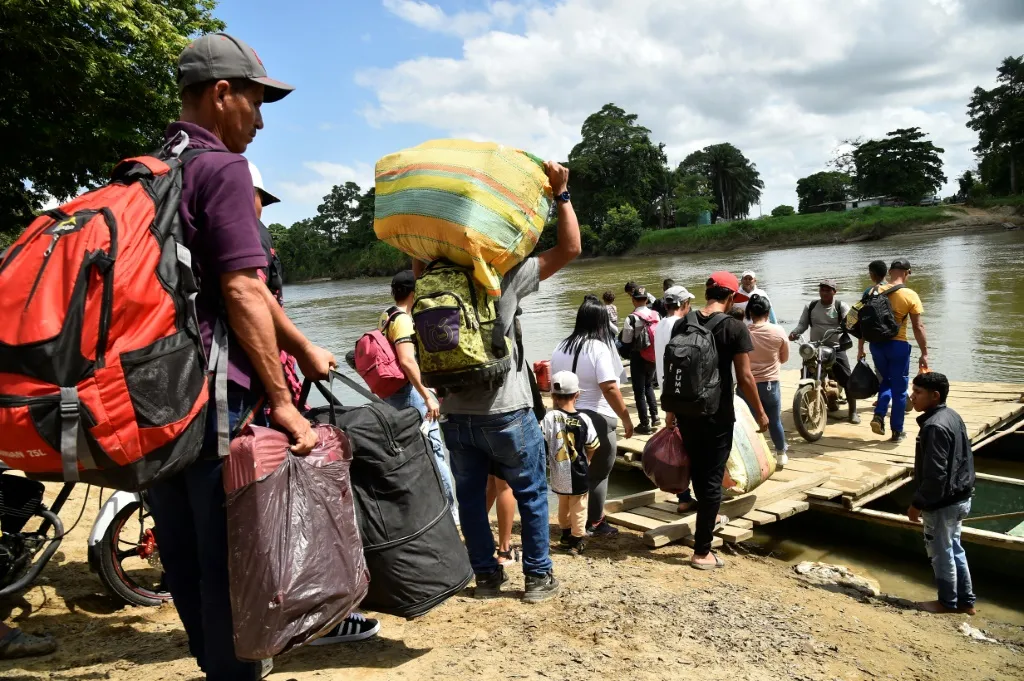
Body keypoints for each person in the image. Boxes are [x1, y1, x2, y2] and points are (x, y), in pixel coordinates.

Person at [145, 34, 343, 680]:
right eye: (254, 104)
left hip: (153, 406)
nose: (259, 121)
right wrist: (284, 404)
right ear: (220, 93)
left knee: (188, 570)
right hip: (214, 413)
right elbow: (239, 289)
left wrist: (303, 346)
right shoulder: (221, 169)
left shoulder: (148, 169)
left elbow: (242, 288)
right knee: (236, 579)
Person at [434, 161, 581, 603]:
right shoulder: (505, 275)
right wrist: (561, 193)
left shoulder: (430, 277)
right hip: (507, 412)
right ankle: (537, 578)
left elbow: (419, 244)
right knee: (532, 494)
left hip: (455, 415)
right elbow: (570, 248)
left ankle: (486, 577)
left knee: (470, 501)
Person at [250, 164, 380, 648]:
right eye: (259, 196)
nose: (260, 207)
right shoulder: (250, 235)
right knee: (301, 497)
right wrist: (295, 368)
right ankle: (318, 615)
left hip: (229, 397)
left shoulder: (197, 236)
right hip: (264, 394)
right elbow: (257, 305)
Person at [666, 272, 769, 570]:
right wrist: (761, 414)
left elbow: (674, 369)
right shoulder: (735, 327)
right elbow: (746, 377)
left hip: (685, 410)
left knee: (699, 471)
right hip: (716, 413)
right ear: (730, 298)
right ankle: (702, 551)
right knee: (712, 479)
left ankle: (704, 525)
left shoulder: (683, 322)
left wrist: (670, 412)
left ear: (708, 293)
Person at [550, 297, 634, 537]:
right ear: (601, 322)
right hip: (597, 419)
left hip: (565, 417)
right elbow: (609, 388)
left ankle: (568, 522)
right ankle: (595, 522)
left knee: (570, 473)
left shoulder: (560, 346)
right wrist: (626, 418)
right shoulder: (599, 348)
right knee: (598, 474)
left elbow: (554, 387)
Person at [378, 270, 456, 512]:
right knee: (434, 449)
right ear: (414, 293)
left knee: (411, 450)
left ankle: (421, 507)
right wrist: (428, 396)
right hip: (409, 393)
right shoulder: (402, 319)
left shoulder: (386, 315)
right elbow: (407, 361)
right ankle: (450, 510)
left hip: (392, 394)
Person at [908, 372, 976, 615]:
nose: (912, 397)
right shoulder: (952, 416)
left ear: (934, 396)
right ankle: (966, 602)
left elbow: (936, 475)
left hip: (943, 501)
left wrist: (917, 503)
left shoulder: (935, 426)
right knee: (954, 547)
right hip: (961, 496)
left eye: (917, 392)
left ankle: (947, 602)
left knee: (941, 552)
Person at [859, 259, 928, 443]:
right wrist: (924, 353)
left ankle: (879, 415)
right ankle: (897, 431)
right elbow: (918, 326)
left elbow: (861, 321)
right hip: (898, 346)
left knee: (885, 383)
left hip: (876, 345)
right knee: (899, 389)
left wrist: (861, 348)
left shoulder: (873, 291)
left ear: (889, 272)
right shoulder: (910, 295)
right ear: (907, 273)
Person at [541, 371, 602, 556]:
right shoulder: (585, 419)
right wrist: (588, 459)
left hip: (558, 472)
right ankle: (577, 539)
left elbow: (541, 439)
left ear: (553, 396)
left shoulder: (549, 418)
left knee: (563, 504)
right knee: (579, 506)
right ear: (577, 395)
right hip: (578, 471)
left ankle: (565, 534)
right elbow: (592, 445)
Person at [652, 285, 698, 512]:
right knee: (690, 445)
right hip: (680, 393)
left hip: (666, 391)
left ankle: (684, 495)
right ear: (683, 305)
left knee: (678, 445)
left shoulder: (660, 324)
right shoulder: (680, 325)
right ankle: (692, 496)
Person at [789, 279, 859, 424]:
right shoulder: (811, 306)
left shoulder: (840, 306)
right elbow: (802, 325)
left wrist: (848, 326)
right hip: (814, 348)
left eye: (828, 290)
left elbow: (849, 322)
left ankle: (853, 412)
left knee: (848, 379)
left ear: (835, 291)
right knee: (806, 376)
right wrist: (795, 332)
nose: (824, 292)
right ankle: (804, 407)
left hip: (835, 348)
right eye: (822, 289)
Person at [745, 295, 791, 465]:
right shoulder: (778, 331)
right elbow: (785, 358)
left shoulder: (744, 333)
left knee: (749, 422)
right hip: (770, 383)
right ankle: (780, 453)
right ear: (768, 312)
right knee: (774, 420)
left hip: (747, 385)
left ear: (750, 312)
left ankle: (752, 458)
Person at [620, 286, 661, 435]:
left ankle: (645, 424)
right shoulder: (656, 314)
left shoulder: (631, 318)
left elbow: (626, 340)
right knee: (649, 385)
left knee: (639, 391)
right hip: (653, 355)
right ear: (646, 299)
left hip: (638, 356)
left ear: (633, 300)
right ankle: (655, 416)